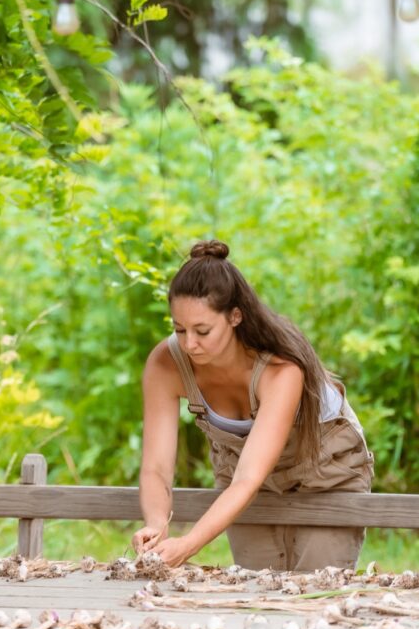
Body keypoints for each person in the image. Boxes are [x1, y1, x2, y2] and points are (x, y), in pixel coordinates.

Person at [132, 240, 374, 571]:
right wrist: (157, 526)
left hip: (325, 472)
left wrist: (188, 545)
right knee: (256, 589)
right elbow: (156, 468)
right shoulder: (165, 363)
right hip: (241, 481)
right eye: (179, 328)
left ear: (235, 317)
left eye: (203, 330)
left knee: (315, 588)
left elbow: (249, 477)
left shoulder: (280, 368)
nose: (189, 343)